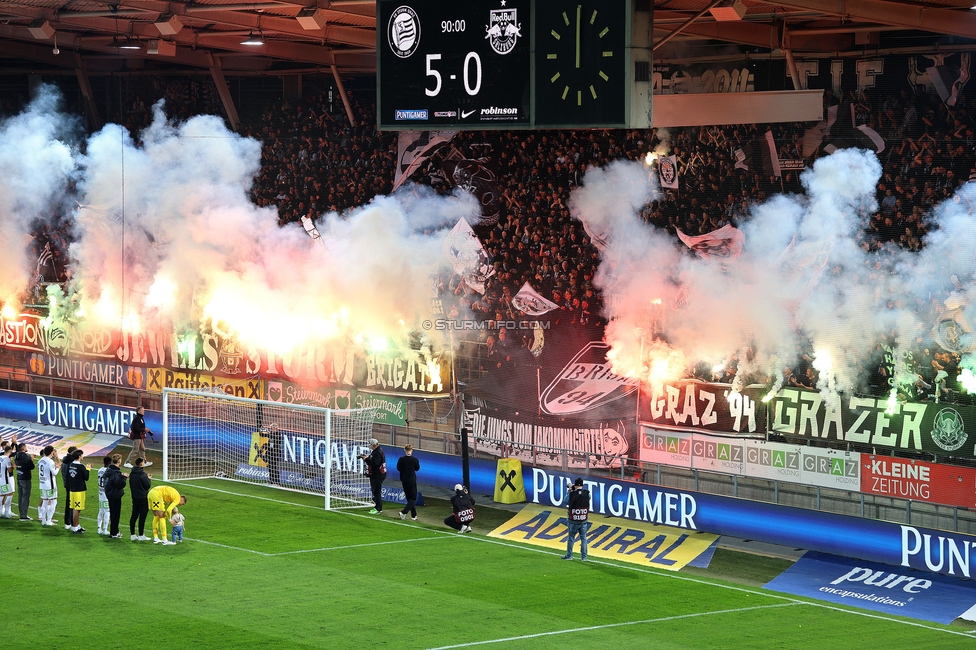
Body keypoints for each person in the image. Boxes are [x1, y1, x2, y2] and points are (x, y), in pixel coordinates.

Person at [561, 478, 591, 561]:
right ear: (582, 485)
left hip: (573, 520)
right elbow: (587, 497)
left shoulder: (572, 494)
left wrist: (570, 490)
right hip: (583, 520)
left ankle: (569, 555)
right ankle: (584, 557)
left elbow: (566, 501)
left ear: (575, 485)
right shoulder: (587, 493)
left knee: (571, 538)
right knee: (583, 538)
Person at [64, 449, 90, 534]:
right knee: (77, 509)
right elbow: (86, 477)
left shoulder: (71, 464)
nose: (83, 456)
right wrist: (88, 469)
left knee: (75, 508)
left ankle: (77, 525)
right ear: (79, 456)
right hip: (79, 490)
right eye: (82, 455)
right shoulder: (81, 466)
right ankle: (75, 527)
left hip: (72, 490)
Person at [103, 453, 127, 539]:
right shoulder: (115, 472)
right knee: (115, 514)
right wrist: (124, 477)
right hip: (115, 495)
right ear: (119, 461)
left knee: (113, 513)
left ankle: (115, 531)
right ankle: (113, 533)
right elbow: (120, 484)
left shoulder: (109, 469)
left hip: (109, 494)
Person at [360, 438, 386, 514]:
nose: (369, 446)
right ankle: (377, 506)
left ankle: (378, 508)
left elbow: (375, 463)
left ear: (373, 445)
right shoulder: (377, 451)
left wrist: (366, 459)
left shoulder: (377, 452)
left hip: (377, 475)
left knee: (377, 492)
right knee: (375, 492)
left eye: (370, 444)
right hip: (377, 474)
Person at [36, 445, 60, 526]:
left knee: (45, 502)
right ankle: (49, 520)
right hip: (50, 485)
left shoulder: (40, 460)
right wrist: (58, 467)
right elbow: (54, 473)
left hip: (42, 484)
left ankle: (43, 520)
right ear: (51, 452)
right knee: (54, 501)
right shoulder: (50, 461)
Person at [129, 457, 152, 541]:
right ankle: (141, 535)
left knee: (134, 516)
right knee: (142, 517)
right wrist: (149, 479)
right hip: (143, 498)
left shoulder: (132, 473)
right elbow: (147, 486)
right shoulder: (142, 474)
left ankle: (132, 534)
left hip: (135, 497)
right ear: (141, 464)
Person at [397, 444, 420, 521]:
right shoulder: (415, 460)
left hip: (404, 480)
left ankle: (414, 515)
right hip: (411, 480)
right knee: (413, 497)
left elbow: (398, 468)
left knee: (409, 498)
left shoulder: (401, 459)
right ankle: (404, 512)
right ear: (411, 450)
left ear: (405, 450)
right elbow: (417, 468)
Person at [14, 443, 35, 521]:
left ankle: (22, 514)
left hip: (19, 477)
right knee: (25, 497)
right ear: (23, 448)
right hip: (25, 478)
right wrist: (31, 459)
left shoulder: (17, 455)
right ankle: (23, 516)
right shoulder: (26, 457)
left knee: (20, 496)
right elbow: (31, 467)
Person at [60, 446, 77, 530]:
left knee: (69, 503)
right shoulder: (71, 462)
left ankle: (68, 522)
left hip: (66, 484)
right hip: (71, 485)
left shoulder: (65, 460)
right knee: (71, 504)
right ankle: (70, 523)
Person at [96, 456, 112, 535]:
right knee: (107, 511)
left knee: (101, 510)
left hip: (100, 493)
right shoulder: (109, 472)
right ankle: (105, 529)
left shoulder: (99, 470)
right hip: (106, 494)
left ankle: (99, 528)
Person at [0, 443, 14, 518]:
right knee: (10, 494)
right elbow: (10, 470)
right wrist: (14, 465)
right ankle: (6, 513)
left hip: (0, 479)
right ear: (10, 451)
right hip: (5, 480)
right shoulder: (7, 459)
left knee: (1, 495)